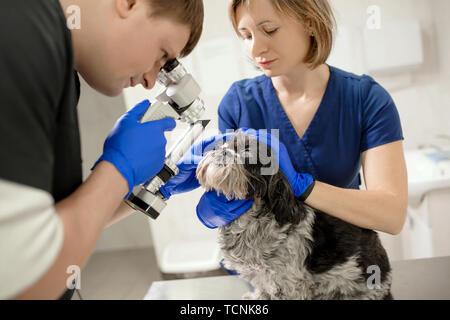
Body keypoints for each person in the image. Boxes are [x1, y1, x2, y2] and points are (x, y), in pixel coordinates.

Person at [0, 0, 203, 299]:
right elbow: (25, 276)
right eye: (162, 54)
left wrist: (145, 189)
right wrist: (118, 170)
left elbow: (50, 225)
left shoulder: (62, 66)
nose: (150, 81)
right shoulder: (24, 33)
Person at [164, 0, 408, 237]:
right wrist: (216, 210)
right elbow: (235, 202)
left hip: (340, 262)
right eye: (246, 36)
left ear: (311, 23)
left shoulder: (365, 99)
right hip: (265, 266)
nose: (256, 49)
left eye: (269, 30)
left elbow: (391, 215)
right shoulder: (239, 104)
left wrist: (304, 187)